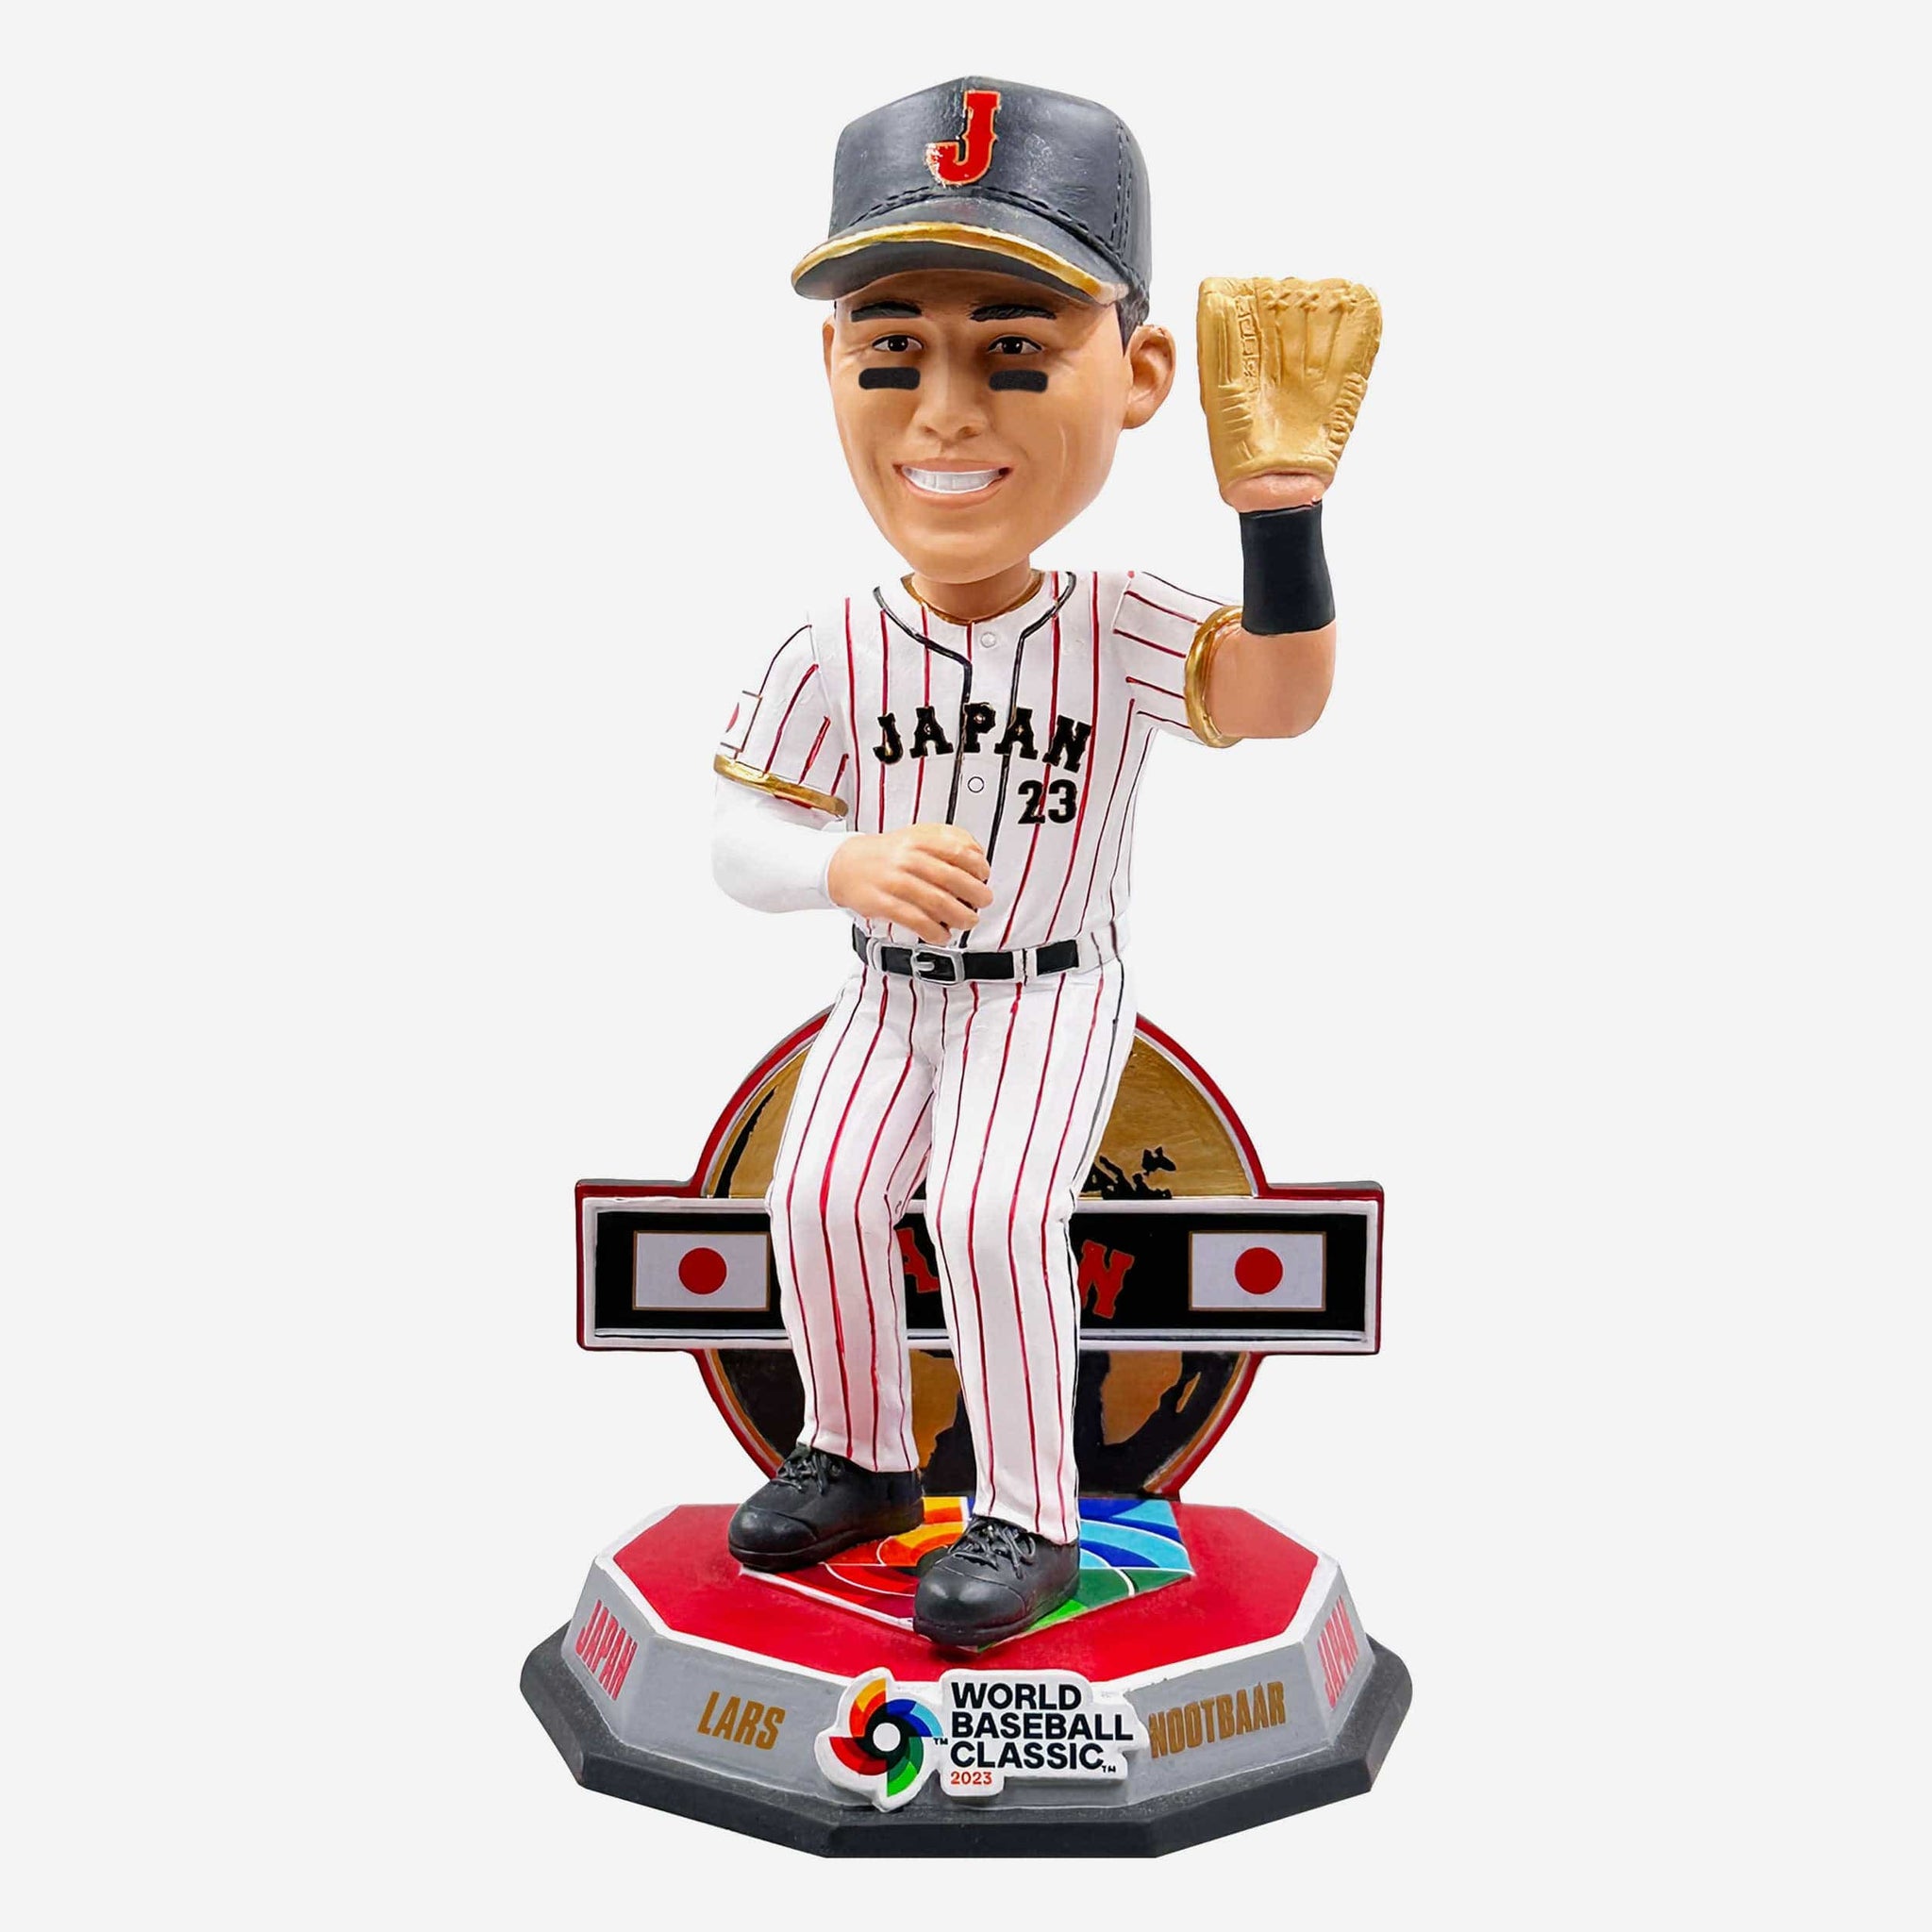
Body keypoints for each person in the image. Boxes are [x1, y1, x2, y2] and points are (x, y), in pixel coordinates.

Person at [709, 76, 1379, 1647]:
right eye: (893, 354)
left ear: (1138, 376)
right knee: (817, 1192)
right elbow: (739, 840)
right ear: (831, 368)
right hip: (889, 989)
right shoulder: (831, 641)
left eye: (1015, 356)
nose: (946, 413)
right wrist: (839, 868)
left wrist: (1280, 524)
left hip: (1047, 993)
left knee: (994, 1216)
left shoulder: (1118, 620)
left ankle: (1028, 1512)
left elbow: (1277, 700)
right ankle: (861, 1454)